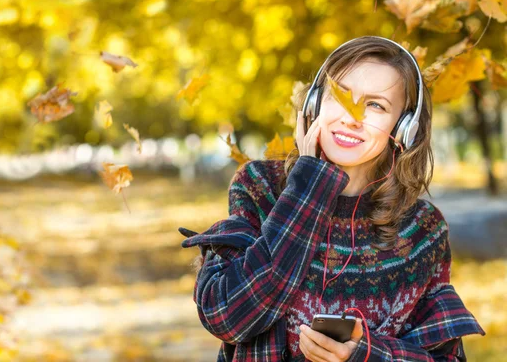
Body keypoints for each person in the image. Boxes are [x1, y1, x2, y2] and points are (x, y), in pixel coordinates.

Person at [179, 36, 485, 361]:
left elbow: (445, 357)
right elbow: (229, 318)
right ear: (314, 103)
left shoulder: (422, 227)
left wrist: (365, 353)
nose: (352, 117)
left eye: (376, 105)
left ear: (404, 127)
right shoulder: (260, 187)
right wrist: (307, 186)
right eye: (340, 95)